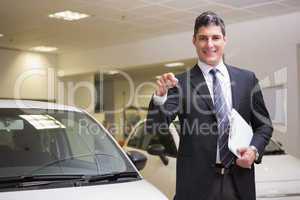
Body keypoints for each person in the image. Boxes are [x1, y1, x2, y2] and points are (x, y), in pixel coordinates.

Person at [146, 11, 273, 200]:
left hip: (238, 181)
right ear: (194, 41)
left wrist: (253, 150)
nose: (210, 44)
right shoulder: (181, 83)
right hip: (196, 187)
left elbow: (264, 126)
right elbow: (155, 126)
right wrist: (160, 97)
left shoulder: (247, 79)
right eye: (203, 38)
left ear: (225, 40)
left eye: (216, 37)